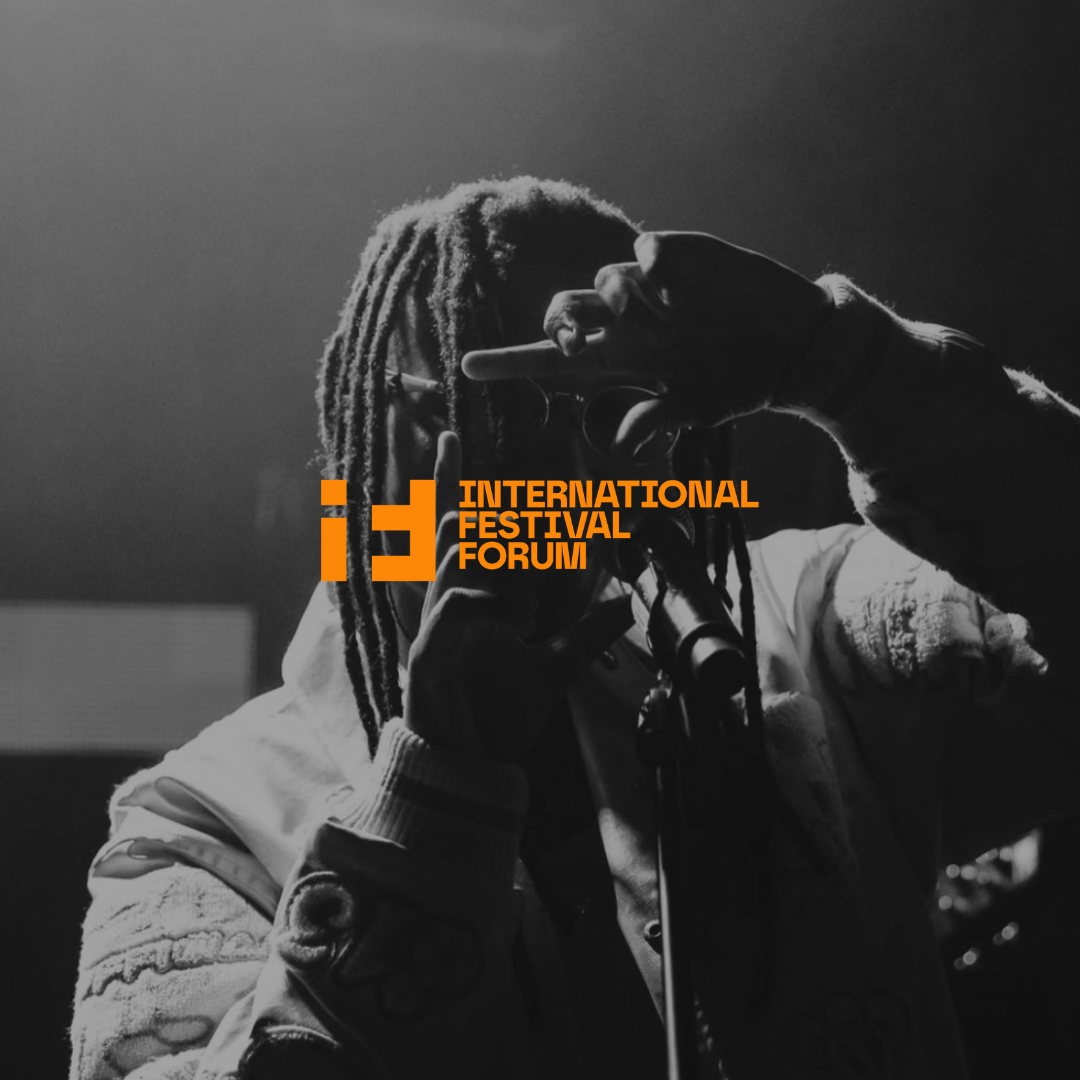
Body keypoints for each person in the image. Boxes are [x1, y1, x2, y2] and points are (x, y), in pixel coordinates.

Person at [68, 177, 1080, 1080]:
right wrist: (435, 787)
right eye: (482, 413)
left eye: (600, 413)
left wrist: (848, 363)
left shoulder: (804, 622)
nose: (546, 475)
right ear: (361, 441)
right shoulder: (202, 823)